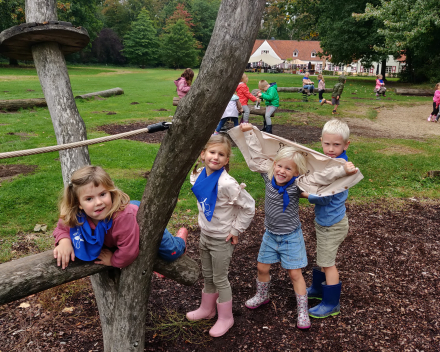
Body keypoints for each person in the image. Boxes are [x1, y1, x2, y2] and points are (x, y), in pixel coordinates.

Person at [237, 123, 358, 330]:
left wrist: (341, 171)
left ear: (297, 173)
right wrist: (249, 133)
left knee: (295, 274)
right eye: (279, 166)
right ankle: (262, 295)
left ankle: (303, 310)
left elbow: (321, 177)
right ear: (274, 165)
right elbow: (257, 157)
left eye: (288, 168)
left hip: (291, 236)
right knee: (261, 267)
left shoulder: (297, 185)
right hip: (270, 234)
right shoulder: (268, 179)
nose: (282, 171)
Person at [53, 165, 188, 270]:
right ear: (79, 204)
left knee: (171, 253)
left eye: (102, 194)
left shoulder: (122, 218)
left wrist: (113, 261)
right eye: (89, 199)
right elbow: (63, 226)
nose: (98, 202)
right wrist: (64, 241)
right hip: (128, 224)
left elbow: (128, 252)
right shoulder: (76, 214)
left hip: (141, 219)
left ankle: (181, 241)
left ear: (111, 192)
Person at [186, 135, 255, 337]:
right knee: (207, 275)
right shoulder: (198, 176)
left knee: (220, 278)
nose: (215, 157)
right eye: (212, 152)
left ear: (226, 160)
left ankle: (226, 317)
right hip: (205, 234)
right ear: (203, 154)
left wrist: (236, 230)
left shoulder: (227, 184)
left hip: (221, 239)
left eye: (221, 154)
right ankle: (207, 309)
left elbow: (249, 207)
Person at [301, 119, 355, 319]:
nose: (331, 149)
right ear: (321, 141)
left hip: (333, 224)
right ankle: (317, 289)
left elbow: (327, 196)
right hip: (324, 222)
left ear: (346, 145)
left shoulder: (344, 168)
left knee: (328, 262)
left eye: (337, 145)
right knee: (322, 257)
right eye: (327, 144)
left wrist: (305, 194)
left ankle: (332, 303)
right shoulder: (328, 162)